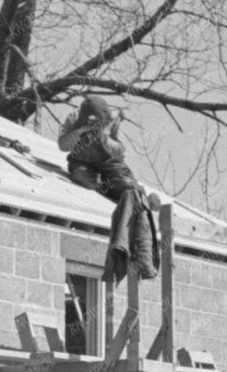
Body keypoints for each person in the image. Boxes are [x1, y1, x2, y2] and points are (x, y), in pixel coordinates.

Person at [56, 96, 159, 283]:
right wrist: (81, 131)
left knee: (130, 190)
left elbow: (119, 150)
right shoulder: (73, 118)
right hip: (83, 162)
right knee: (86, 180)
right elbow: (62, 145)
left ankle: (143, 202)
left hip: (109, 161)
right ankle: (107, 188)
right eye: (89, 121)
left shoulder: (112, 120)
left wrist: (104, 138)